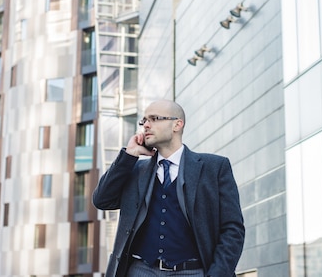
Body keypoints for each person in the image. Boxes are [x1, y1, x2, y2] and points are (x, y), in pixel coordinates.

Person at [93, 99, 245, 277]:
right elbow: (102, 200)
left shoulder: (214, 167)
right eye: (144, 121)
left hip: (193, 271)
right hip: (141, 270)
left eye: (154, 118)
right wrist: (129, 154)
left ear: (177, 125)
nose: (146, 125)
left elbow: (232, 228)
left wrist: (218, 273)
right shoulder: (135, 170)